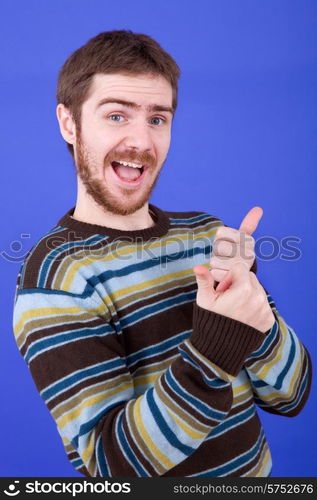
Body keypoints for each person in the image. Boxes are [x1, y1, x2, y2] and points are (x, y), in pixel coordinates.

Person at [13, 30, 311, 478]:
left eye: (157, 119)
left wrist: (260, 324)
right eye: (116, 115)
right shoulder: (57, 278)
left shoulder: (210, 235)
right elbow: (115, 469)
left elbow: (292, 395)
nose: (141, 141)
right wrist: (216, 344)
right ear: (68, 123)